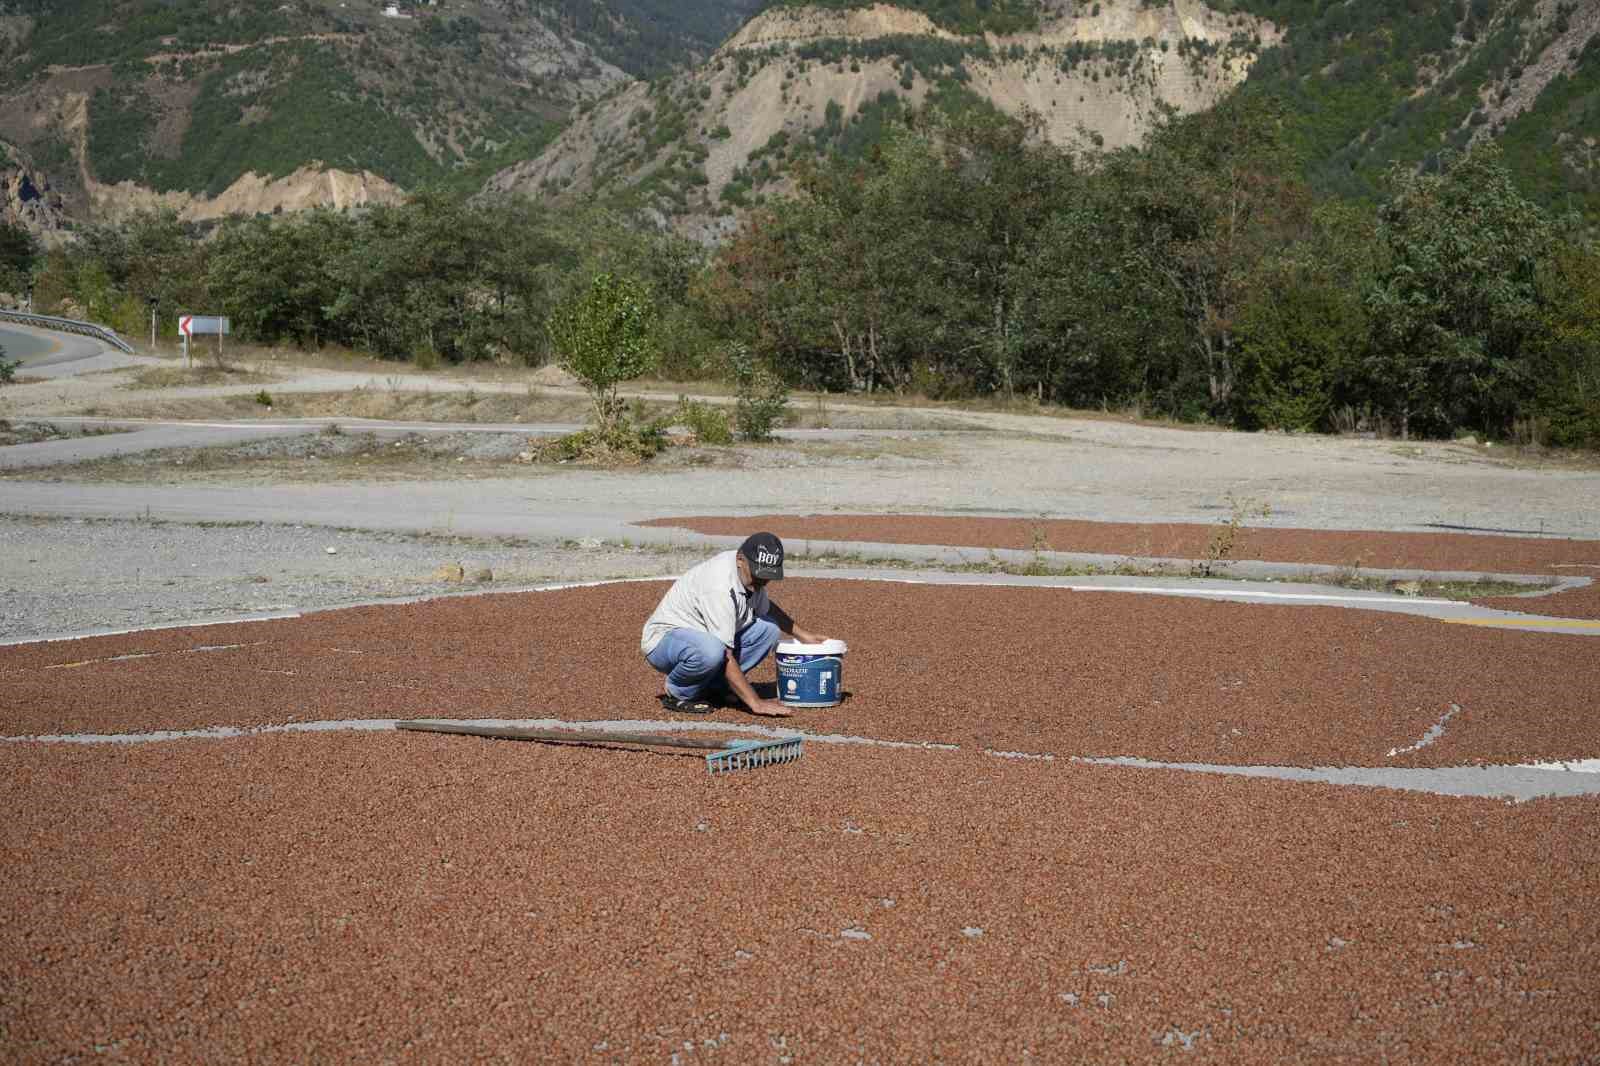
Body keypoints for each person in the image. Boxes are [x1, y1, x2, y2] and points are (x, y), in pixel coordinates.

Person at [641, 532, 828, 717]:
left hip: (702, 638)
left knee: (769, 629)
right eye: (758, 574)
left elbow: (768, 608)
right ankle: (679, 692)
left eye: (768, 576)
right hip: (664, 641)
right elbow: (726, 653)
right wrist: (755, 702)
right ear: (740, 560)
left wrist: (802, 635)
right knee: (712, 650)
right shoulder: (718, 587)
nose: (763, 581)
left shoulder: (750, 577)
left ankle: (716, 687)